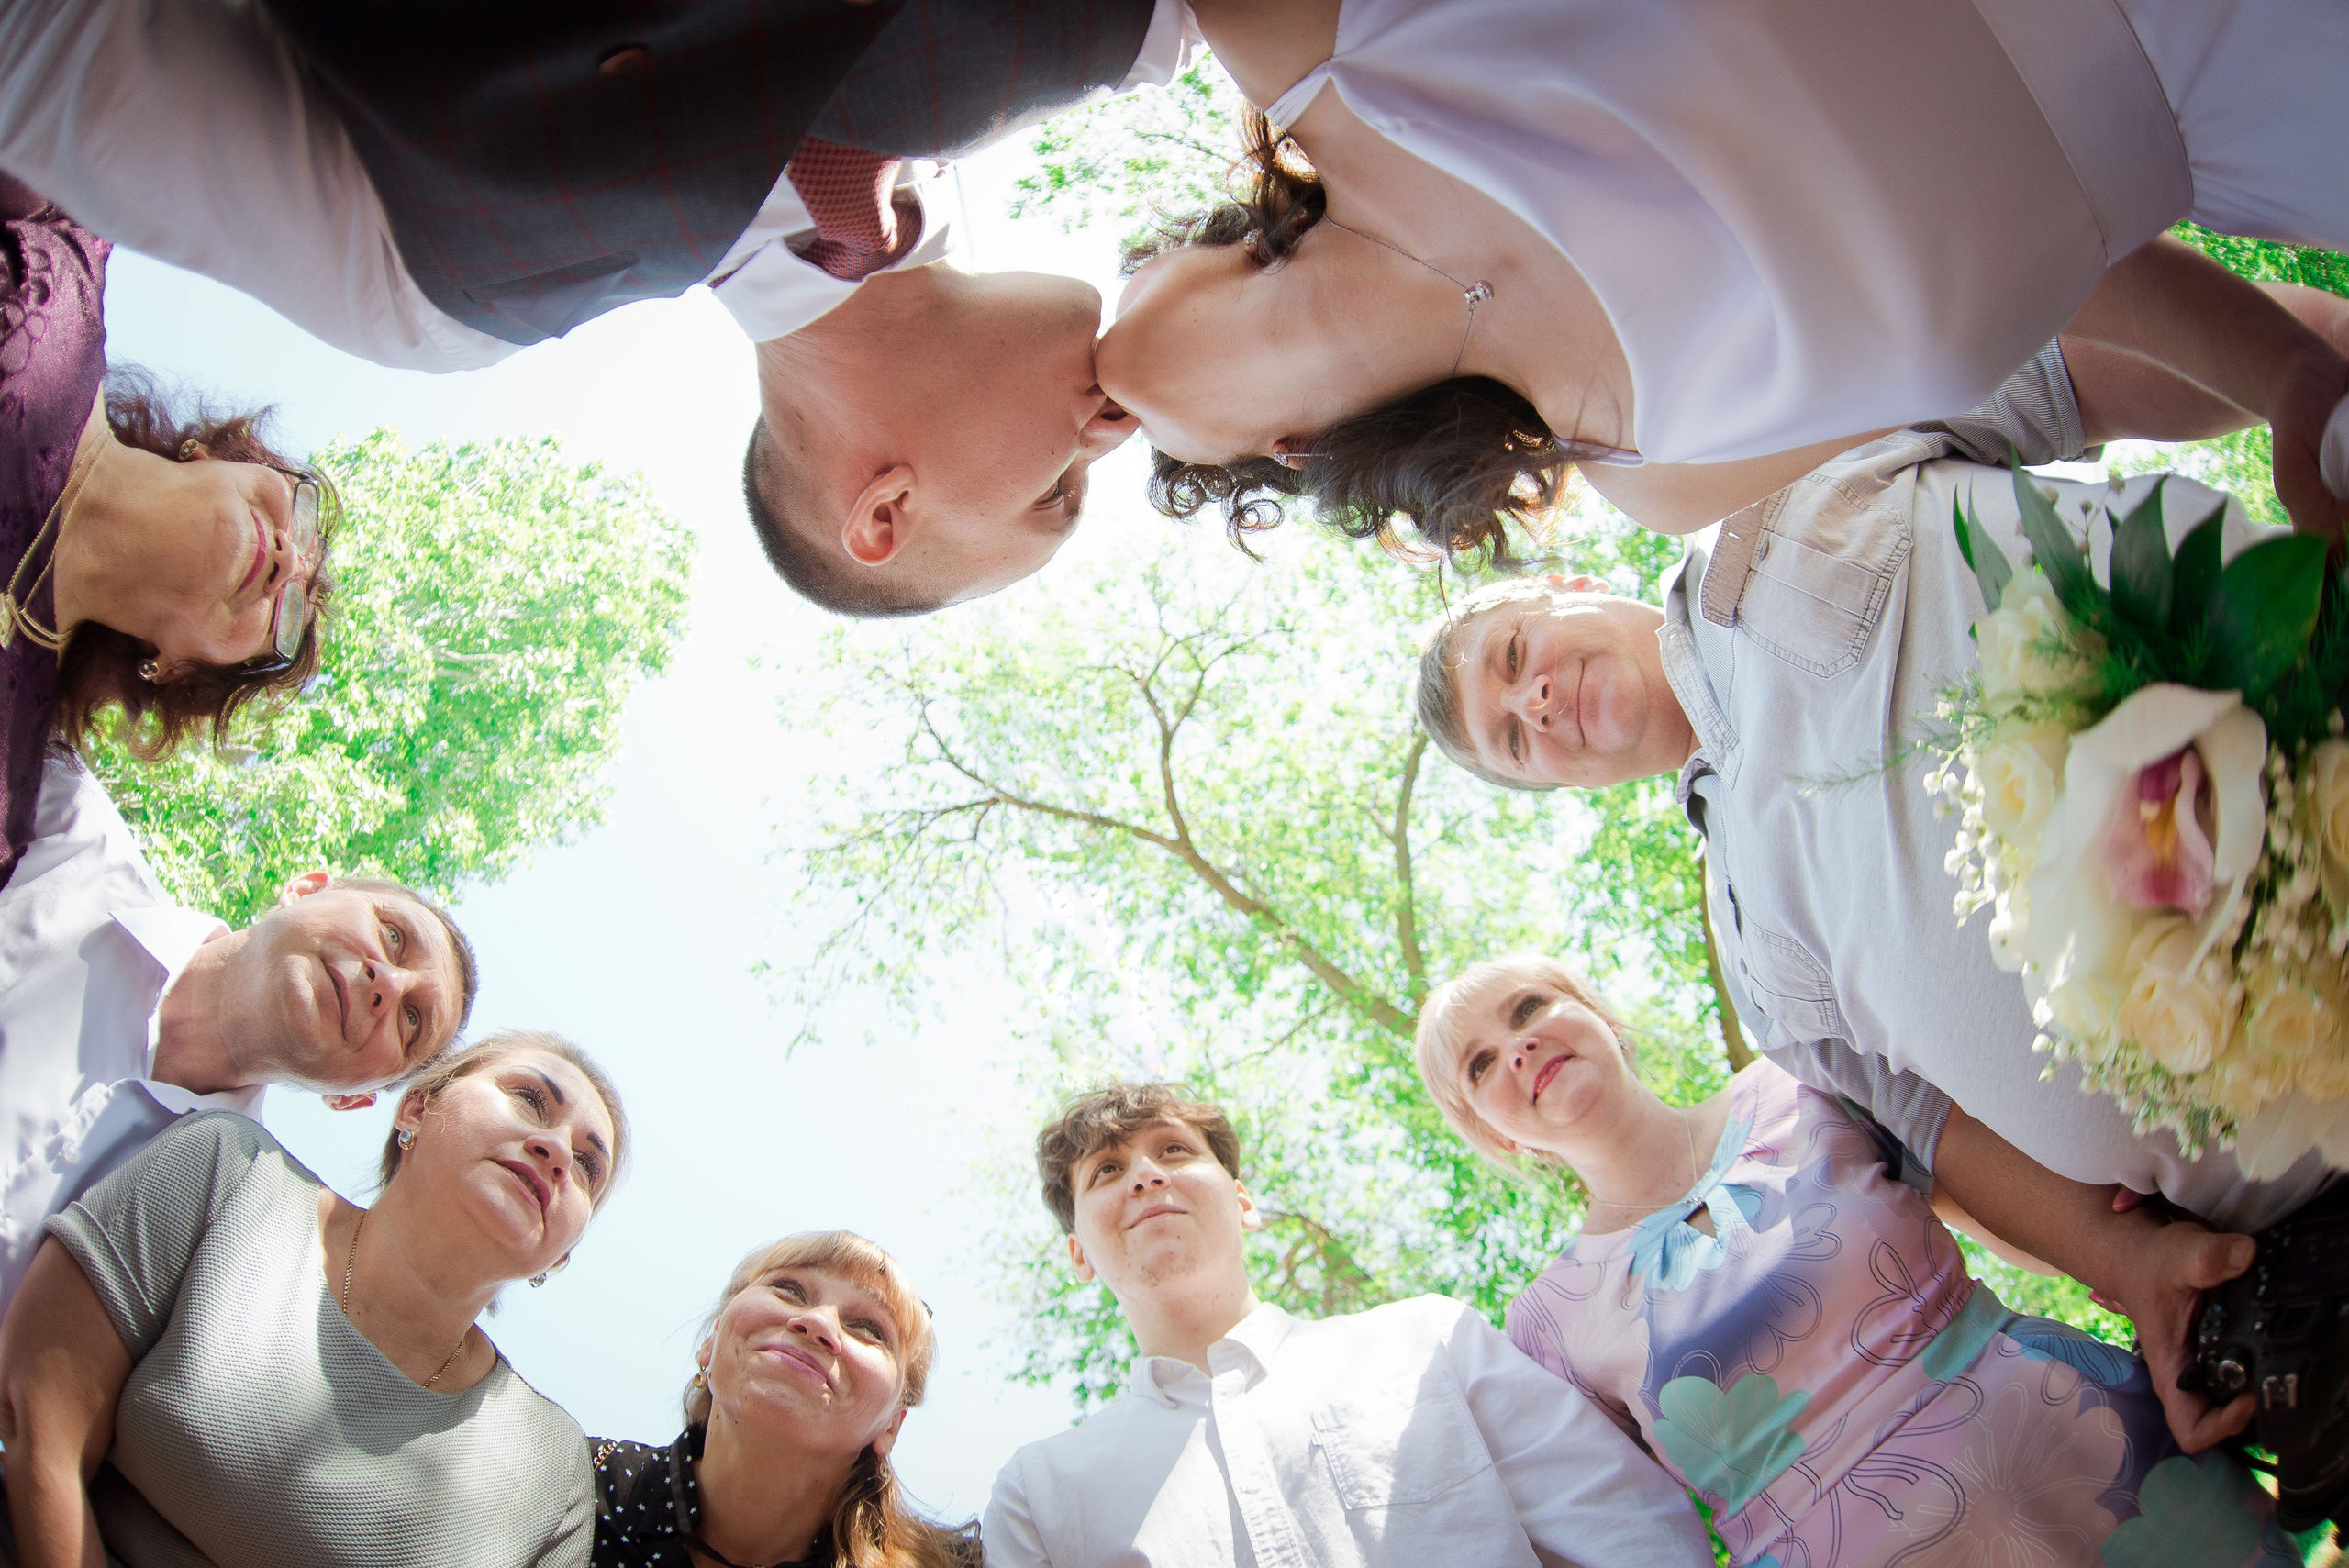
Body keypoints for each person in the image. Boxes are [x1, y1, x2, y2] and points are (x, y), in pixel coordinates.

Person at [1408, 340, 2339, 1451]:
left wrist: (2309, 377)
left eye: (1518, 655)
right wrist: (2125, 1263)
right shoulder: (1750, 953)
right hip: (2293, 1207)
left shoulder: (1781, 478)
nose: (1542, 699)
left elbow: (2080, 369)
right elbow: (1936, 1130)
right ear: (1554, 782)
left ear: (1567, 589)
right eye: (1517, 737)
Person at [0, 0, 1174, 618]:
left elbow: (54, 51)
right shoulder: (1107, 41)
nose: (1118, 430)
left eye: (1056, 493)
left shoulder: (444, 303)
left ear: (887, 508)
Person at [1089, 0, 2349, 564]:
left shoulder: (1317, 37)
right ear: (1290, 452)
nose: (1100, 403)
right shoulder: (1666, 472)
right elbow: (2063, 274)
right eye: (1122, 440)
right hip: (2274, 125)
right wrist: (2286, 373)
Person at [1413, 954, 2299, 1568]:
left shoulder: (1801, 1076)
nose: (1519, 1047)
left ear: (1597, 1013)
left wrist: (2140, 1262)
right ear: (1493, 1132)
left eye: (1529, 1009)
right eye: (1483, 1062)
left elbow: (2001, 1200)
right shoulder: (1543, 1328)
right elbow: (1623, 1528)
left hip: (2111, 1469)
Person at [984, 1081, 1716, 1568]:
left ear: (1243, 1201)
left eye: (1174, 1150)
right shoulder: (1039, 1497)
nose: (1147, 1174)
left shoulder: (1429, 1340)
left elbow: (1627, 1530)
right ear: (1078, 1253)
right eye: (1106, 1171)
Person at [0, 1029, 628, 1567]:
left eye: (586, 1167)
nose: (554, 1151)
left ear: (562, 1254)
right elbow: (40, 1426)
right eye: (528, 1098)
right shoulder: (230, 1169)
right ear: (416, 1107)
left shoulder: (555, 1474)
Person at [0, 752, 475, 1316]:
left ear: (351, 1098)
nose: (388, 984)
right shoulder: (63, 825)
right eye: (393, 936)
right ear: (305, 889)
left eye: (412, 1020)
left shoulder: (214, 1253)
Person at [0, 176, 333, 887]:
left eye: (288, 620)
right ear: (212, 453)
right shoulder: (69, 235)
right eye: (298, 514)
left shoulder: (5, 792)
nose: (290, 562)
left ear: (177, 668)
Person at [589, 1231, 981, 1568]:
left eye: (867, 1328)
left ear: (892, 1425)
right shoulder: (566, 1471)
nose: (818, 1323)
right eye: (789, 1291)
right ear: (712, 1340)